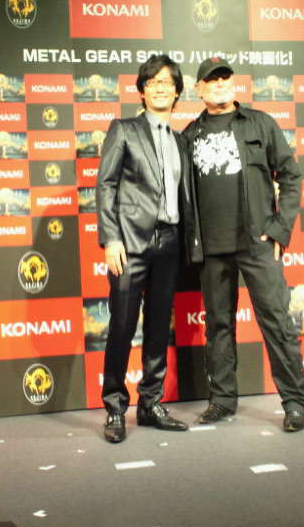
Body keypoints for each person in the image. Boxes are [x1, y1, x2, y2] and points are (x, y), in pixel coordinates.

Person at [182, 56, 304, 432]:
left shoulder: (260, 123)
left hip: (257, 243)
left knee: (277, 322)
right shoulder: (189, 135)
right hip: (210, 248)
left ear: (233, 83)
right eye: (212, 79)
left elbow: (291, 175)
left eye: (225, 77)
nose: (220, 83)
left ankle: (295, 403)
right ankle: (222, 400)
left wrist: (280, 228)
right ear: (198, 89)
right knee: (218, 326)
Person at [96, 54, 188, 443]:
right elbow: (106, 185)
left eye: (167, 82)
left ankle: (150, 404)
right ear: (142, 90)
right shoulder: (124, 130)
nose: (161, 88)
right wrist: (111, 238)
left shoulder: (181, 140)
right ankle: (115, 408)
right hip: (129, 244)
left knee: (158, 327)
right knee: (121, 325)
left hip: (170, 242)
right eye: (153, 82)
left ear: (178, 91)